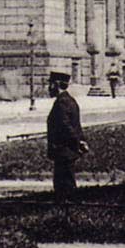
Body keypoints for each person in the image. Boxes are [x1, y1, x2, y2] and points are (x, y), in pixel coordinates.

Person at [45, 68, 88, 198]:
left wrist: (77, 141)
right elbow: (76, 125)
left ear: (56, 84)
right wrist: (81, 141)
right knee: (68, 180)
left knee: (63, 184)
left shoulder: (61, 103)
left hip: (63, 149)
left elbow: (66, 126)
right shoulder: (70, 100)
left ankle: (66, 209)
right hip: (69, 150)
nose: (49, 87)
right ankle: (68, 207)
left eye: (50, 84)